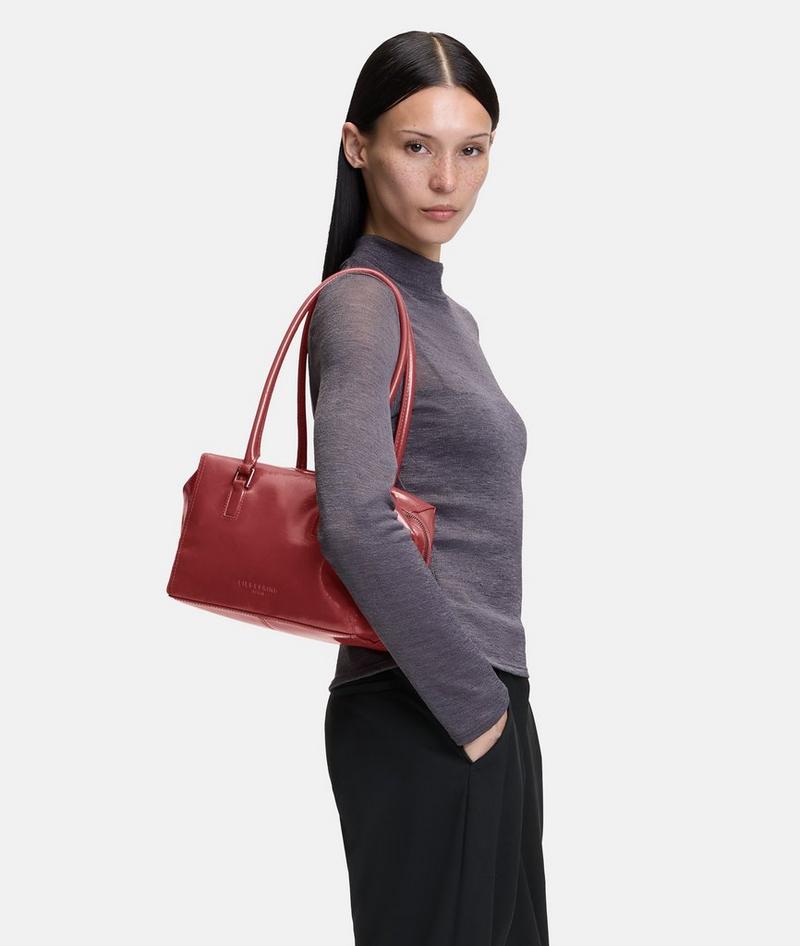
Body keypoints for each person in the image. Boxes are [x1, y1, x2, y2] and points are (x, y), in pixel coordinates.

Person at [307, 30, 549, 946]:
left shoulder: (448, 317)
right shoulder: (363, 300)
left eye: (471, 150)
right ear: (357, 146)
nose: (447, 180)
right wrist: (475, 709)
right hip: (427, 704)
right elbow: (353, 519)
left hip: (474, 699)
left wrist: (493, 711)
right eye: (417, 146)